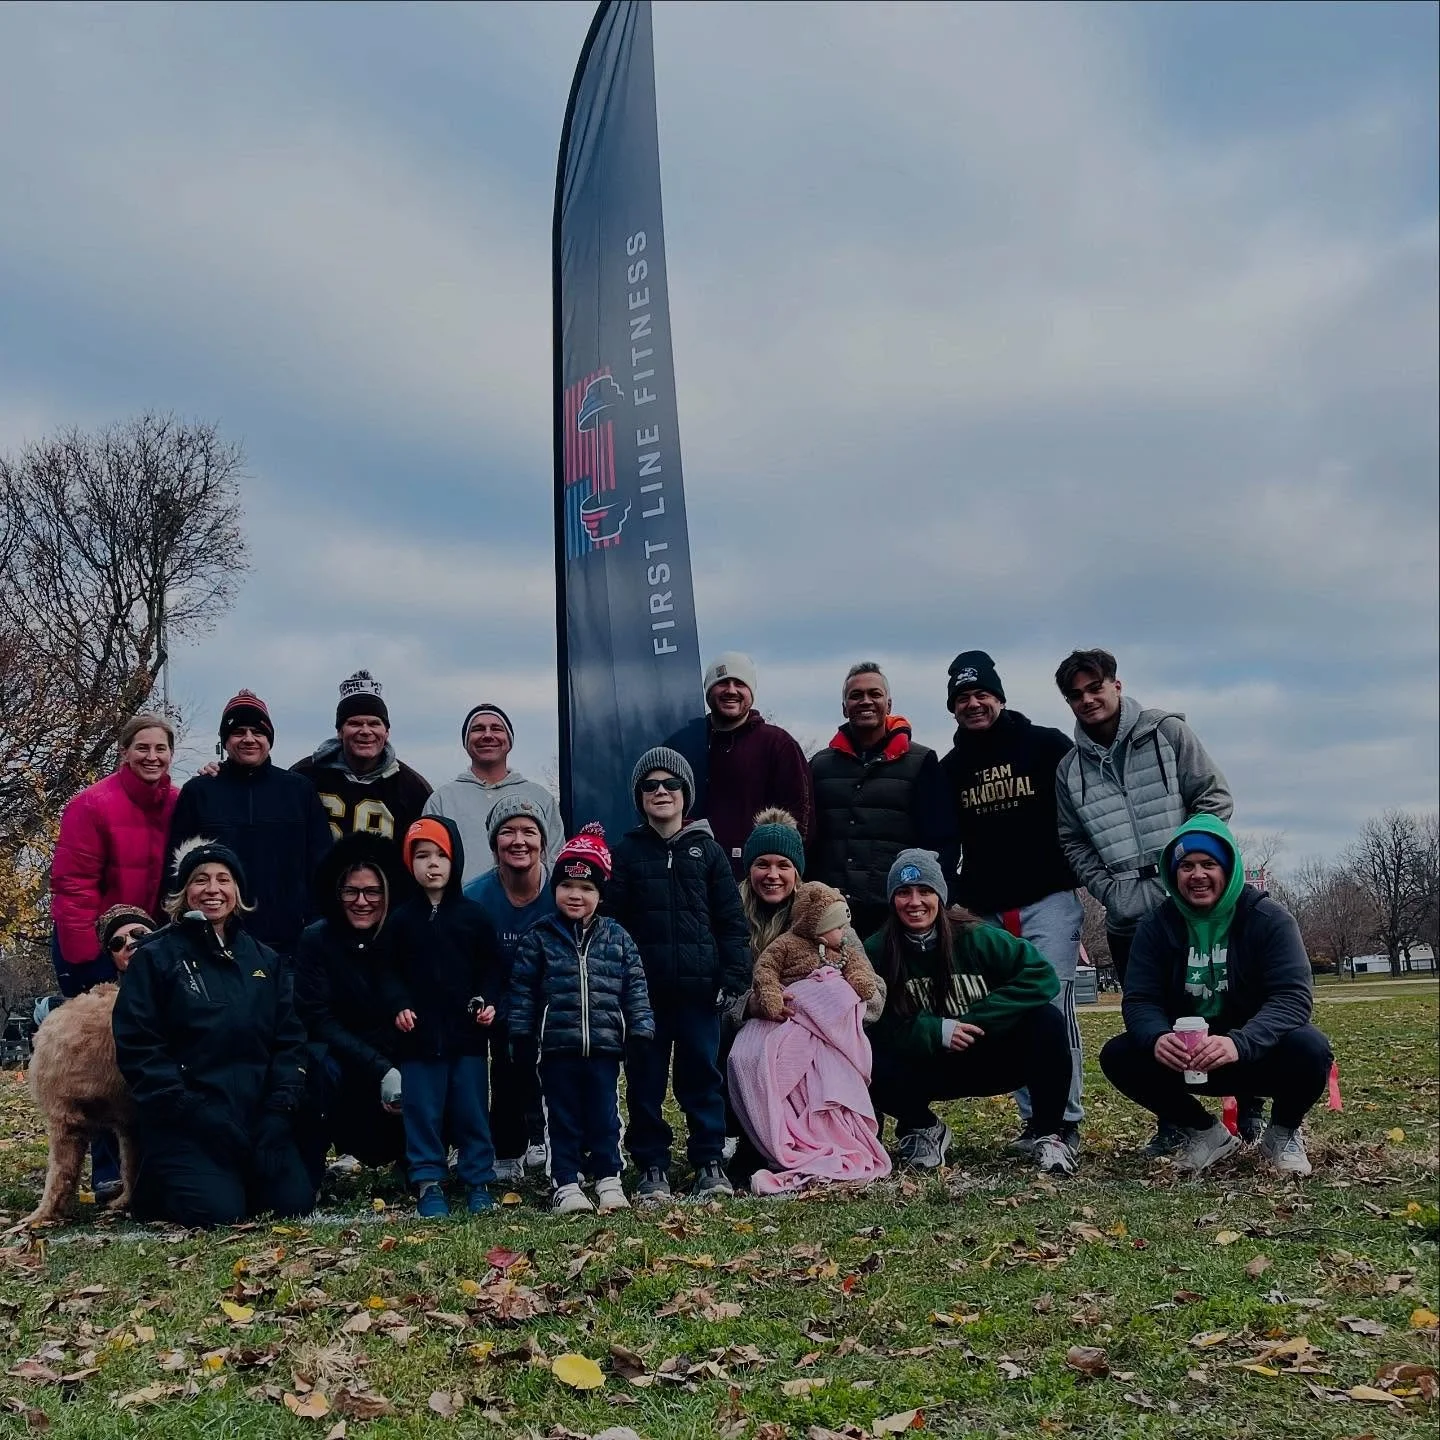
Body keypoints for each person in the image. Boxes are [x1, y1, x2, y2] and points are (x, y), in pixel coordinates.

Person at [1053, 647, 1236, 1153]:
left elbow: (1214, 798)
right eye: (1076, 695)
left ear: (1116, 684)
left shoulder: (1169, 734)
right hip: (1129, 913)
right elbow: (1073, 841)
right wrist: (1107, 888)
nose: (1088, 700)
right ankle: (1177, 1122)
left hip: (1193, 904)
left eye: (1095, 688)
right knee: (1151, 1022)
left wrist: (1189, 865)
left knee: (1220, 1008)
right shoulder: (1070, 769)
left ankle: (1252, 1112)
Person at [1099, 817, 1332, 1177]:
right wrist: (1158, 1037)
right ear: (1173, 874)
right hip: (1188, 1060)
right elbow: (1140, 999)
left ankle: (1283, 1133)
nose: (1197, 875)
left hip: (1253, 1054)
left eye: (1209, 864)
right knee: (1119, 1055)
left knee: (1311, 1048)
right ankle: (1204, 1132)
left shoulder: (1270, 919)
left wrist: (1239, 1043)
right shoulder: (1154, 926)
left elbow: (1293, 998)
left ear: (1228, 869)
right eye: (1186, 866)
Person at [111, 838, 316, 1228]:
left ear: (237, 892)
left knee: (294, 1204)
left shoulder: (264, 959)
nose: (212, 889)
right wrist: (192, 1112)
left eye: (224, 879)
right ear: (184, 892)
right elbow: (139, 1047)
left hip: (254, 1118)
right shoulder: (155, 958)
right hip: (190, 1120)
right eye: (200, 879)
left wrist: (278, 1112)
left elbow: (290, 1040)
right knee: (219, 1213)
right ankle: (157, 1184)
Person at [937, 650, 1084, 1152]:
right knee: (1013, 1008)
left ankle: (1064, 1122)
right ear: (953, 707)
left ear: (999, 697)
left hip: (1048, 897)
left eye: (982, 694)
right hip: (987, 907)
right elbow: (946, 840)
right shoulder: (950, 767)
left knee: (1050, 1004)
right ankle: (1036, 1121)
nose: (973, 704)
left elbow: (1080, 808)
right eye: (962, 698)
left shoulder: (1046, 745)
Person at [864, 850, 1078, 1177]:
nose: (914, 901)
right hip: (926, 1064)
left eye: (925, 891)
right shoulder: (877, 950)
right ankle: (924, 1128)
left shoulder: (977, 936)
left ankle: (1049, 1133)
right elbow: (875, 1020)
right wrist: (935, 1030)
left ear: (941, 895)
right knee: (861, 1050)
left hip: (987, 1056)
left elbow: (1041, 977)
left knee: (1046, 1021)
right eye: (903, 893)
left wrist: (977, 1019)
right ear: (892, 900)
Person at [606, 747, 751, 1201]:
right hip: (643, 997)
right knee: (645, 1083)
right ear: (639, 796)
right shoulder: (625, 854)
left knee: (702, 1079)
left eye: (671, 784)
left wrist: (733, 975)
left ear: (685, 794)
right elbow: (611, 923)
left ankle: (709, 1159)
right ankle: (651, 1165)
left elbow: (731, 922)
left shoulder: (706, 852)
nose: (661, 792)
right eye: (651, 785)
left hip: (698, 993)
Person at [509, 824, 654, 1214]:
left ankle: (609, 1177)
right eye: (568, 886)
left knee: (606, 1115)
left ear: (600, 894)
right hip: (556, 1047)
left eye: (587, 888)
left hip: (605, 1046)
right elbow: (522, 990)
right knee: (562, 1117)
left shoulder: (618, 938)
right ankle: (566, 1182)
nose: (576, 895)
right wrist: (520, 1033)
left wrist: (641, 1029)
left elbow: (635, 987)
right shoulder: (539, 937)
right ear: (555, 888)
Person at [381, 817, 504, 1218]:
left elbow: (492, 968)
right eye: (422, 856)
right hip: (416, 1040)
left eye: (441, 855)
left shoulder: (474, 916)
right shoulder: (399, 921)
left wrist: (487, 1001)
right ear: (409, 863)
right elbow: (387, 972)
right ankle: (428, 1181)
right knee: (422, 1112)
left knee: (471, 1110)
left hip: (466, 1039)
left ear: (456, 861)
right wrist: (398, 1003)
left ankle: (477, 1180)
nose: (432, 865)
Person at [168, 691, 334, 958]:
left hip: (288, 944)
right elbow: (176, 868)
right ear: (225, 740)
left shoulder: (298, 790)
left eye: (258, 731)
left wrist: (315, 923)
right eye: (238, 732)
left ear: (269, 739)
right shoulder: (199, 792)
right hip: (216, 943)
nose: (248, 739)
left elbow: (322, 863)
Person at [809, 662, 956, 940]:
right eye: (856, 695)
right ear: (844, 707)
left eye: (874, 694)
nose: (865, 701)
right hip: (832, 915)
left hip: (895, 914)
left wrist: (933, 900)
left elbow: (942, 843)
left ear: (888, 704)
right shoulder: (819, 766)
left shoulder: (922, 762)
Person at [293, 833, 407, 1183]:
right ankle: (312, 1167)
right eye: (351, 892)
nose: (362, 901)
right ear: (337, 893)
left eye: (372, 891)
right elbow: (317, 1017)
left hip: (395, 1051)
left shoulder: (402, 935)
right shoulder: (316, 939)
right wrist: (379, 1068)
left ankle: (416, 1158)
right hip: (342, 1056)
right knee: (314, 1066)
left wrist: (397, 1067)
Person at [463, 797, 557, 1184]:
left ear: (542, 841)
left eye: (529, 832)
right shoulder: (475, 897)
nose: (519, 841)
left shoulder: (562, 889)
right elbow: (469, 965)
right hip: (499, 1002)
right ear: (493, 844)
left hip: (555, 1000)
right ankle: (506, 1147)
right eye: (508, 832)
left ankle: (548, 1138)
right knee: (505, 1063)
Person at [51, 713, 179, 990]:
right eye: (142, 748)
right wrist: (86, 961)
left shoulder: (179, 804)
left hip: (151, 946)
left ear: (171, 753)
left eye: (161, 748)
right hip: (99, 946)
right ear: (124, 752)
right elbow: (73, 887)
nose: (152, 756)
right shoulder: (89, 805)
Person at [667, 653, 814, 878]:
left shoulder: (778, 744)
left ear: (751, 693)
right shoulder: (682, 744)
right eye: (722, 682)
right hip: (690, 876)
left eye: (740, 684)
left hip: (754, 882)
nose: (731, 690)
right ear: (708, 691)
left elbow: (800, 818)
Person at [424, 703, 565, 886]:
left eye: (496, 729)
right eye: (478, 729)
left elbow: (555, 858)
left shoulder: (540, 797)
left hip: (531, 911)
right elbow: (429, 861)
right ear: (466, 742)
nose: (488, 735)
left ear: (509, 740)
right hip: (462, 911)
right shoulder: (442, 800)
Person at [293, 670, 432, 842]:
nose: (365, 731)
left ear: (386, 731)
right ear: (339, 731)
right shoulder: (304, 776)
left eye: (374, 723)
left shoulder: (413, 788)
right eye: (355, 723)